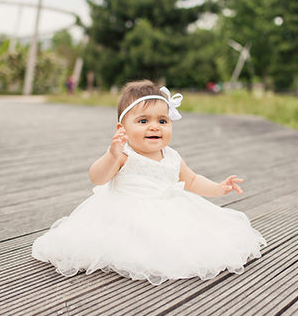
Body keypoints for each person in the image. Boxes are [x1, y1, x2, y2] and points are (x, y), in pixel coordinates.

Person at [31, 80, 266, 285]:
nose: (154, 127)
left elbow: (191, 180)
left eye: (163, 121)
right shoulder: (124, 153)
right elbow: (97, 177)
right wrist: (111, 155)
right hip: (126, 214)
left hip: (170, 211)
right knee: (139, 247)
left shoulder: (172, 156)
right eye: (143, 121)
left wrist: (217, 188)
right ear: (122, 129)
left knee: (190, 243)